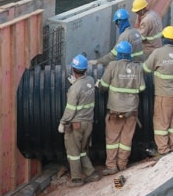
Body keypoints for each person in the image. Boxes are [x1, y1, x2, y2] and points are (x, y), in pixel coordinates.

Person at [142, 26, 173, 157]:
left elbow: (145, 69)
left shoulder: (158, 53)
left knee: (161, 122)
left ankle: (163, 150)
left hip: (164, 94)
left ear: (163, 39)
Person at [97, 41, 145, 178]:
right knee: (126, 139)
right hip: (131, 112)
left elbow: (104, 86)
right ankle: (122, 164)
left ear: (119, 54)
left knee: (112, 139)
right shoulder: (137, 68)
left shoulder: (113, 66)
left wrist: (99, 85)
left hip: (115, 111)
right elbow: (142, 88)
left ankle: (112, 167)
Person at [58, 54, 99, 187]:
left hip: (76, 125)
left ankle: (76, 179)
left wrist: (62, 122)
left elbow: (70, 109)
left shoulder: (74, 89)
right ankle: (91, 174)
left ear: (73, 70)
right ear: (85, 69)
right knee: (81, 150)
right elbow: (84, 90)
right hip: (88, 123)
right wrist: (76, 84)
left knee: (73, 152)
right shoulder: (91, 81)